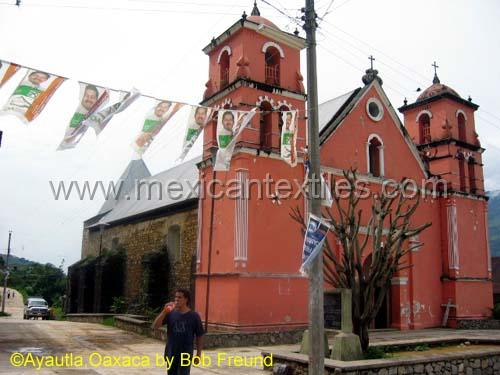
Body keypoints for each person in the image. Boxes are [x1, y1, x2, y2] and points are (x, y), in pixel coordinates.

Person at [152, 289, 204, 375]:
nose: (176, 299)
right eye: (175, 297)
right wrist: (164, 311)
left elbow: (199, 336)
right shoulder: (170, 313)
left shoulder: (194, 316)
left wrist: (198, 355)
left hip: (186, 353)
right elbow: (155, 326)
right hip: (171, 352)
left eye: (180, 297)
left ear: (186, 299)